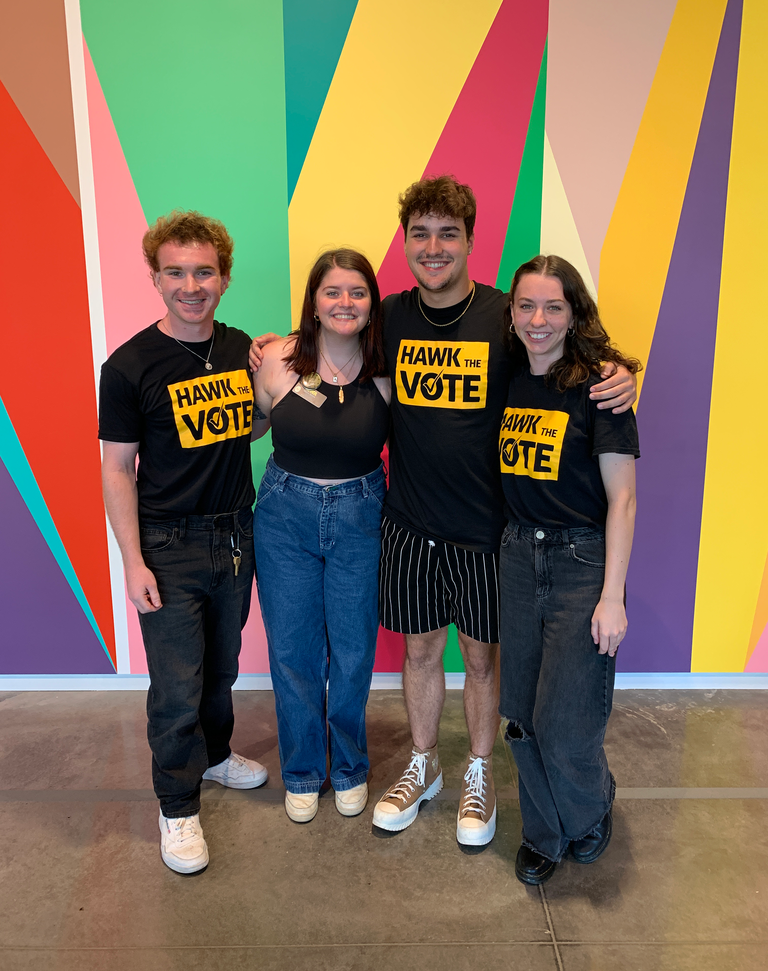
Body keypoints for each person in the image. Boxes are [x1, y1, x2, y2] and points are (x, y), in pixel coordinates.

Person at [250, 176, 636, 846]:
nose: (432, 248)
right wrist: (268, 347)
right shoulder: (389, 318)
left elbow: (559, 352)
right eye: (420, 234)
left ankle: (479, 775)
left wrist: (616, 371)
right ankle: (425, 765)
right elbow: (328, 345)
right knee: (421, 654)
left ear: (469, 242)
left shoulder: (503, 318)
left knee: (483, 663)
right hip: (408, 524)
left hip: (490, 530)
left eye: (447, 234)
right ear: (405, 243)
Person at [99, 211, 268, 875]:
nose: (191, 285)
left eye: (203, 272)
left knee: (221, 668)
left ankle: (217, 755)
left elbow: (244, 427)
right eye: (176, 272)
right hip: (166, 542)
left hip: (234, 534)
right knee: (176, 683)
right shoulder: (129, 365)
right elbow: (117, 468)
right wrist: (132, 558)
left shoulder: (239, 347)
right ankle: (177, 806)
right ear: (156, 277)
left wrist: (269, 374)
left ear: (223, 278)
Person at [498, 255, 639, 885]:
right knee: (523, 710)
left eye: (554, 306)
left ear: (574, 313)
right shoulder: (506, 376)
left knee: (567, 718)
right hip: (515, 557)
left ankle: (591, 804)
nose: (538, 319)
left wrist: (613, 596)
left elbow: (624, 499)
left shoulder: (601, 389)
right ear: (512, 313)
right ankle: (545, 832)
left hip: (581, 561)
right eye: (526, 305)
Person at [251, 249, 390, 823]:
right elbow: (253, 420)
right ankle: (304, 771)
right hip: (286, 514)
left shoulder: (387, 367)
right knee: (292, 652)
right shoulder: (278, 359)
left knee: (354, 653)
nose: (344, 303)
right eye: (332, 291)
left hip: (361, 512)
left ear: (371, 303)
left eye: (357, 292)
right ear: (313, 301)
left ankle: (351, 767)